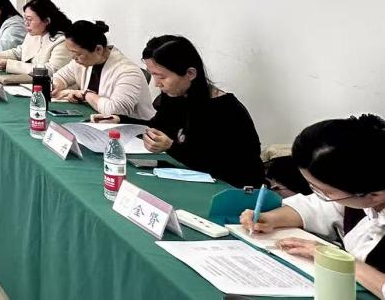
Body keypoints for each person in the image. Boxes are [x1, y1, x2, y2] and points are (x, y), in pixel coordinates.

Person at [240, 115, 385, 299]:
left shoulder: (366, 190)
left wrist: (338, 261)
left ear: (375, 195)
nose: (318, 194)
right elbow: (319, 208)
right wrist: (271, 219)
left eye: (325, 191)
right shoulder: (360, 197)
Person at [92, 35, 264, 187]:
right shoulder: (174, 95)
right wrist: (119, 119)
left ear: (190, 73)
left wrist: (171, 147)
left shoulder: (225, 110)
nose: (156, 84)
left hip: (233, 187)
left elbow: (219, 163)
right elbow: (158, 126)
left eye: (162, 77)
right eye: (153, 75)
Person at [51, 20, 154, 118]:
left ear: (98, 49)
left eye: (77, 53)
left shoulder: (128, 72)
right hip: (98, 121)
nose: (73, 57)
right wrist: (54, 85)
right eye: (71, 52)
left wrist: (86, 94)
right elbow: (61, 77)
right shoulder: (84, 61)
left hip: (133, 127)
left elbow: (116, 111)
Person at [0, 0, 71, 80]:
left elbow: (51, 70)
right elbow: (19, 52)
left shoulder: (62, 41)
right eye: (25, 19)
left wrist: (11, 65)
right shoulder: (33, 34)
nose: (26, 23)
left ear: (46, 21)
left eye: (29, 20)